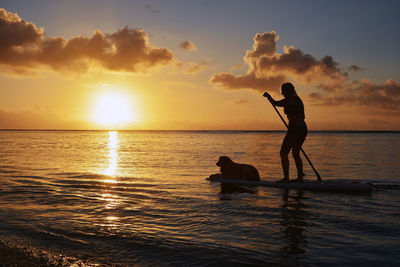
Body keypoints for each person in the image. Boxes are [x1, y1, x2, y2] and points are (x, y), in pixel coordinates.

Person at [263, 83, 307, 183]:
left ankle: (286, 178)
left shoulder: (291, 100)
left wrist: (268, 97)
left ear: (286, 91)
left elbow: (275, 103)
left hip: (295, 129)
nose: (282, 93)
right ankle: (300, 177)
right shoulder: (297, 99)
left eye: (283, 91)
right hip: (302, 128)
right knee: (295, 153)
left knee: (283, 153)